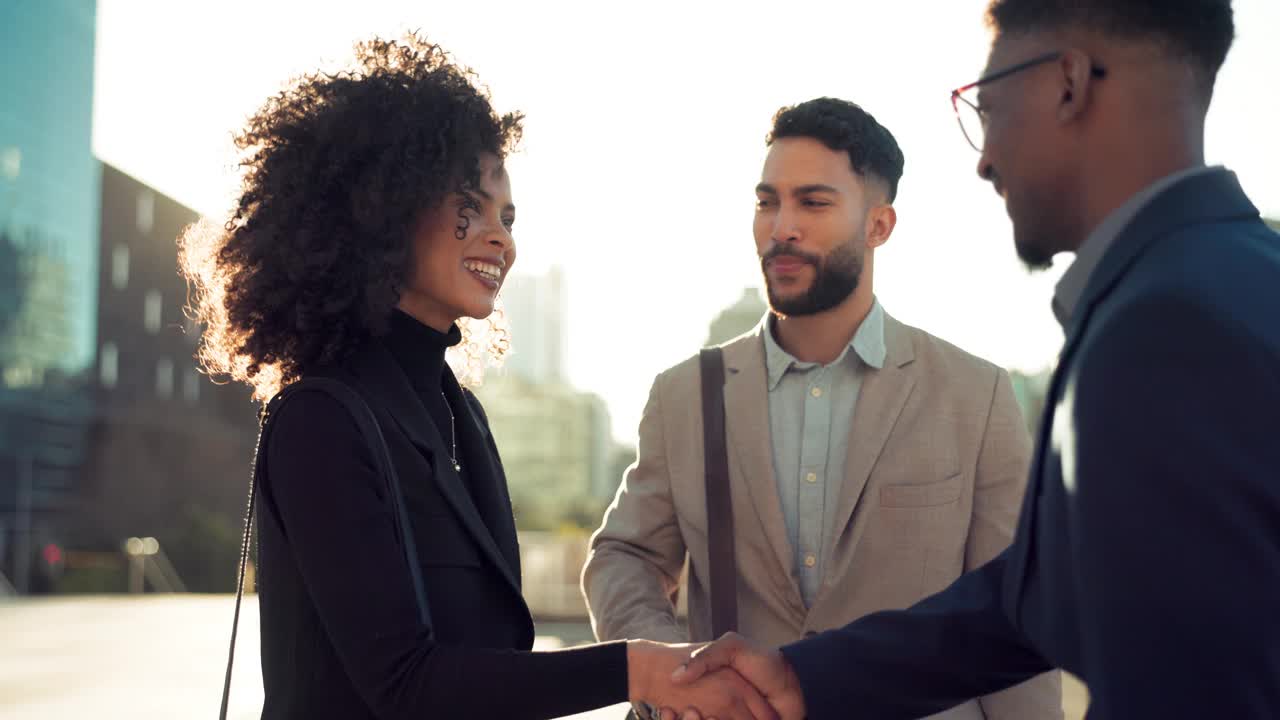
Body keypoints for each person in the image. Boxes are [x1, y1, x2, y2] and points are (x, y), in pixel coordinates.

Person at [674, 1, 1280, 718]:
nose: (985, 160)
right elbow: (1037, 601)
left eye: (986, 109)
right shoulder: (1229, 281)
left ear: (1068, 84)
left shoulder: (1166, 327)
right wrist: (804, 677)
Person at [179, 33, 776, 720]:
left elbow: (497, 660)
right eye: (471, 205)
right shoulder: (320, 419)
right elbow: (407, 685)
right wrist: (639, 668)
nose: (501, 238)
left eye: (508, 217)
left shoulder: (461, 412)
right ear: (383, 207)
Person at [582, 98, 1061, 719]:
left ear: (879, 226)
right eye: (766, 201)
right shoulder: (683, 395)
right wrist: (678, 669)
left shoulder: (975, 395)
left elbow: (1016, 617)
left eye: (812, 202)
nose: (781, 226)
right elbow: (624, 556)